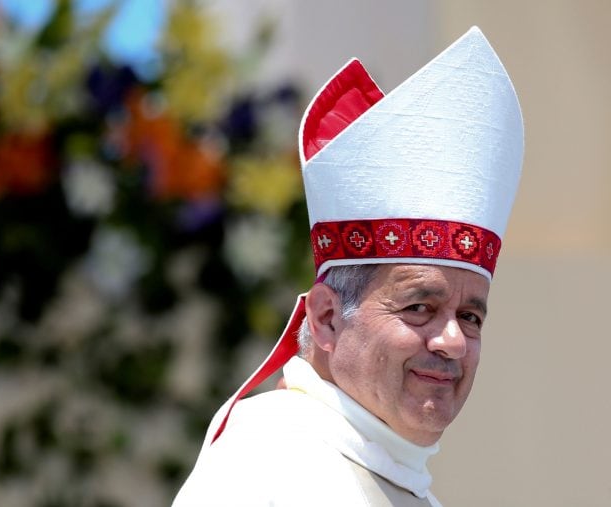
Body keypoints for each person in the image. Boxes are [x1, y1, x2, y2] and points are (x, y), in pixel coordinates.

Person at [173, 26, 523, 506]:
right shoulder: (269, 466)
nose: (453, 341)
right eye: (420, 307)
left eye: (470, 316)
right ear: (326, 319)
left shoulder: (402, 482)